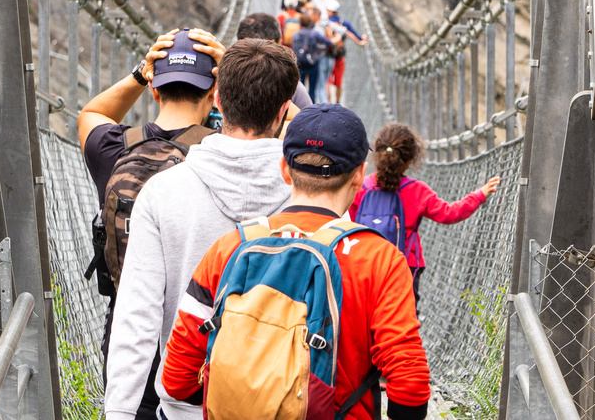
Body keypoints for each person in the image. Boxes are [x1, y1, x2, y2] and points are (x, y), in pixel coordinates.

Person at [161, 104, 431, 420]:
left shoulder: (230, 247)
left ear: (285, 169)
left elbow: (177, 379)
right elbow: (410, 385)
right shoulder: (380, 259)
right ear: (360, 175)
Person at [103, 39, 301, 420]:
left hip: (188, 406)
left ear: (219, 101)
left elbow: (136, 319)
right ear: (283, 111)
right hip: (284, 405)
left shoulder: (162, 192)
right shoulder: (307, 200)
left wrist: (119, 413)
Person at [78, 27, 223, 419]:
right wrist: (232, 71)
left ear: (155, 92)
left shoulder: (113, 149)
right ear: (214, 93)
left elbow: (92, 114)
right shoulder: (223, 156)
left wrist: (140, 73)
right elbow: (292, 134)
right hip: (202, 343)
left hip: (128, 342)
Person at [350, 122, 500, 306]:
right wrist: (479, 195)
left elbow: (351, 222)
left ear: (378, 154)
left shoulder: (362, 187)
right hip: (405, 266)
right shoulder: (417, 191)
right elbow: (450, 213)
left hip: (366, 265)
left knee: (368, 311)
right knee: (404, 315)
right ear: (410, 159)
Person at [236, 12, 312, 110]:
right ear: (272, 44)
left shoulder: (226, 79)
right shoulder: (290, 85)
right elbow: (308, 115)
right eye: (280, 44)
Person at [325, 0, 368, 103]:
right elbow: (357, 36)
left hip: (327, 56)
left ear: (329, 11)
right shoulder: (344, 23)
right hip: (339, 56)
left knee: (327, 82)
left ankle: (328, 104)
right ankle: (337, 104)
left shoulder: (325, 23)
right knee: (338, 82)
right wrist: (362, 39)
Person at [292, 11, 335, 103]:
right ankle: (312, 107)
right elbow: (328, 42)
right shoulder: (314, 34)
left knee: (300, 89)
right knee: (312, 89)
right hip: (312, 63)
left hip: (300, 63)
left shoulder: (296, 34)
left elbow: (294, 48)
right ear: (310, 23)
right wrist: (336, 38)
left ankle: (301, 108)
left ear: (300, 23)